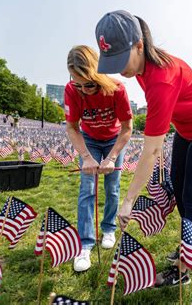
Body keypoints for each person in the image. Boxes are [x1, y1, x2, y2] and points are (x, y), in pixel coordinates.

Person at [95, 10, 192, 287]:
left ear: (140, 45)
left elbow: (152, 151)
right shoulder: (143, 68)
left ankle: (185, 268)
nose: (121, 69)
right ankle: (188, 247)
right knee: (179, 192)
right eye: (112, 60)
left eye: (122, 59)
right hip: (186, 130)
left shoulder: (161, 79)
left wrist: (129, 200)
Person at [64, 45, 133, 272]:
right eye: (78, 84)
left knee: (112, 187)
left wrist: (112, 158)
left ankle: (109, 228)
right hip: (90, 139)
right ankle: (85, 244)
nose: (84, 90)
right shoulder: (71, 90)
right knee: (87, 189)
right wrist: (85, 157)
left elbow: (127, 128)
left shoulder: (117, 89)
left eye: (90, 84)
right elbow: (72, 127)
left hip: (114, 139)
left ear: (98, 74)